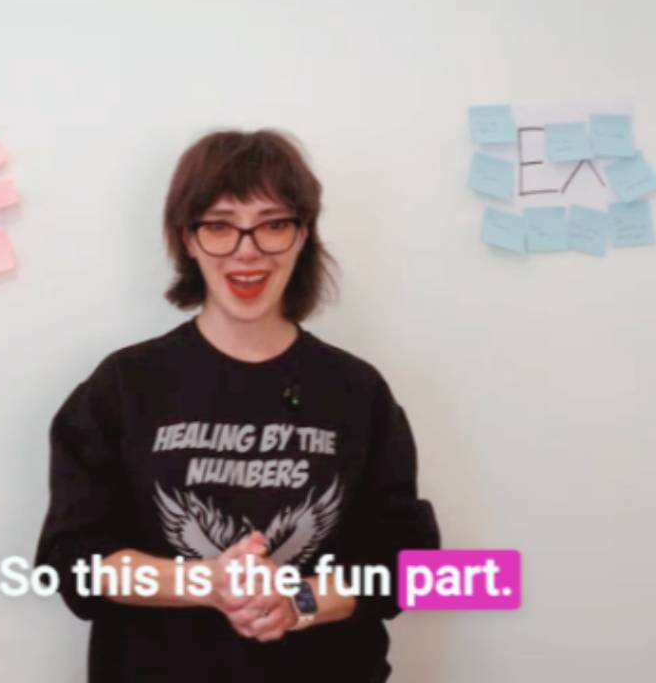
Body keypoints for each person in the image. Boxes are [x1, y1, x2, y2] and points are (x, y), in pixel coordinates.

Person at [34, 128, 440, 682]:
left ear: (302, 235)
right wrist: (208, 583)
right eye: (220, 226)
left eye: (272, 225)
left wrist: (296, 601)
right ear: (188, 239)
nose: (247, 250)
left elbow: (408, 566)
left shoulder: (357, 390)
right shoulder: (124, 385)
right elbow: (72, 560)